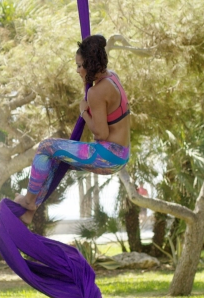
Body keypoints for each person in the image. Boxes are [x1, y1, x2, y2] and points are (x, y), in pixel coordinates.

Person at [14, 34, 131, 224]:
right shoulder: (113, 77)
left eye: (79, 65)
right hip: (122, 154)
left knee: (45, 147)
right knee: (57, 159)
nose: (77, 70)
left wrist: (84, 112)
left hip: (108, 156)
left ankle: (29, 200)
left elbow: (101, 134)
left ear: (90, 65)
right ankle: (30, 210)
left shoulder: (97, 92)